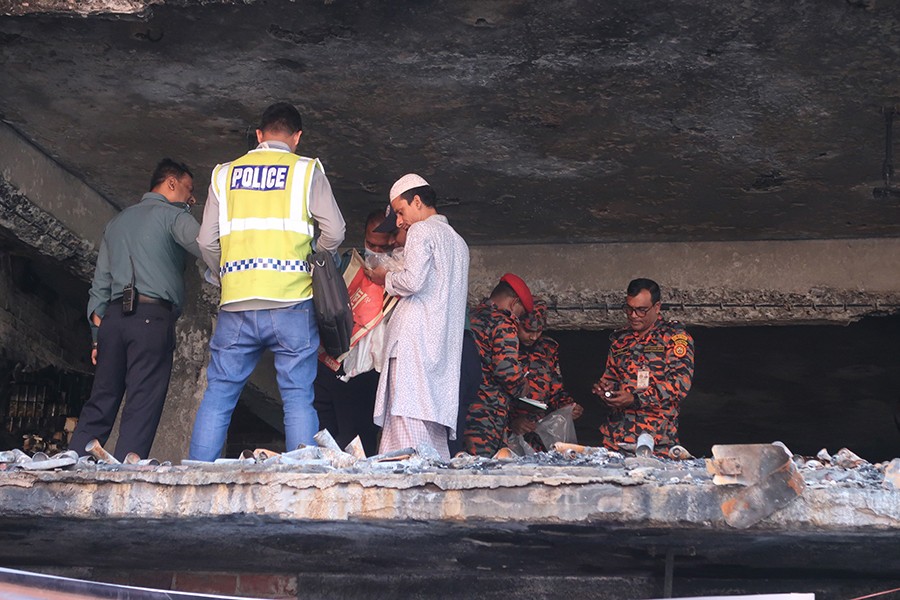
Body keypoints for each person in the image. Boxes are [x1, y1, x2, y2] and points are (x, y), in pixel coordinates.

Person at [189, 102, 346, 461]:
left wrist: (224, 275)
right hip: (291, 301)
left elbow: (205, 242)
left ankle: (196, 476)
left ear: (259, 136)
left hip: (237, 304)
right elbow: (335, 231)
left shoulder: (224, 174)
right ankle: (302, 481)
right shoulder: (306, 171)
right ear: (297, 138)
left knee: (219, 394)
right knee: (297, 396)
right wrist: (314, 262)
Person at [69, 159, 200, 461]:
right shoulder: (171, 216)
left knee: (102, 397)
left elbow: (99, 287)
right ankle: (128, 470)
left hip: (113, 321)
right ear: (170, 183)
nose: (191, 197)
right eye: (188, 189)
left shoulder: (116, 223)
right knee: (143, 399)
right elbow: (208, 244)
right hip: (151, 318)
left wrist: (96, 337)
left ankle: (74, 460)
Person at [364, 173, 469, 460]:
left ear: (418, 202)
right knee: (431, 435)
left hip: (414, 344)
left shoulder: (422, 231)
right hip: (440, 352)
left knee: (405, 421)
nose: (399, 222)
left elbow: (412, 281)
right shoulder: (459, 243)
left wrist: (386, 277)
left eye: (400, 211)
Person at [313, 209, 394, 456]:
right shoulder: (349, 263)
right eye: (371, 244)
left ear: (392, 242)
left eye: (382, 247)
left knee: (358, 441)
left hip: (367, 371)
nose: (376, 252)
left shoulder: (398, 273)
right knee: (325, 437)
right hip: (333, 361)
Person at [592, 278, 694, 454]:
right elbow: (611, 378)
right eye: (629, 309)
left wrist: (635, 398)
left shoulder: (674, 338)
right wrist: (605, 391)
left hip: (656, 441)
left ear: (657, 307)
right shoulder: (621, 340)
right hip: (617, 439)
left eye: (641, 310)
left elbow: (679, 385)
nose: (633, 315)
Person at [463, 273, 534, 457]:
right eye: (521, 312)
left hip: (462, 407)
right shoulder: (503, 323)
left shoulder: (471, 317)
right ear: (513, 303)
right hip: (486, 414)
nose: (518, 319)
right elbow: (507, 372)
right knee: (484, 471)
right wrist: (523, 387)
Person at [507, 300, 583, 452]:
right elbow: (490, 395)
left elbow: (556, 390)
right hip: (508, 435)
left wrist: (569, 407)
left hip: (541, 433)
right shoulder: (505, 346)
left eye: (539, 331)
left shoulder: (548, 348)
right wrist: (511, 422)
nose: (534, 337)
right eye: (528, 330)